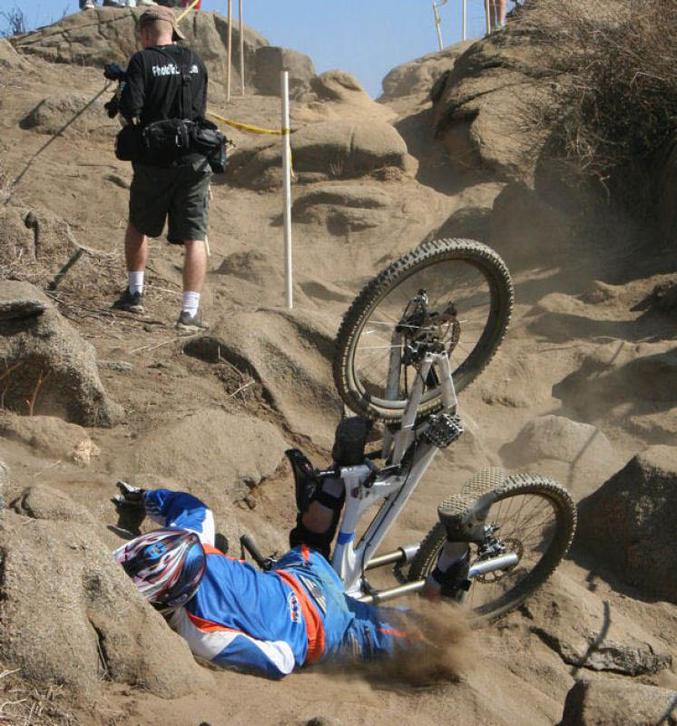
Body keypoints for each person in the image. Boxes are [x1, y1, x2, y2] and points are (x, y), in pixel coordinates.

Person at [113, 419, 470, 678]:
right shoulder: (193, 544)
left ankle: (453, 557)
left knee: (429, 642)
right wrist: (143, 497)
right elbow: (192, 508)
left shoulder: (203, 635)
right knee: (307, 545)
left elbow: (282, 660)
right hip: (299, 572)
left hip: (330, 625)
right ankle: (333, 486)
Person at [110, 6, 211, 333]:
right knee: (195, 236)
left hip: (155, 161)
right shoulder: (195, 60)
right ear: (171, 32)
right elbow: (199, 109)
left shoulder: (142, 60)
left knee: (138, 224)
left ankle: (135, 295)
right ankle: (189, 313)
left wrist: (123, 88)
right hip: (195, 158)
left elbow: (131, 111)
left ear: (143, 34)